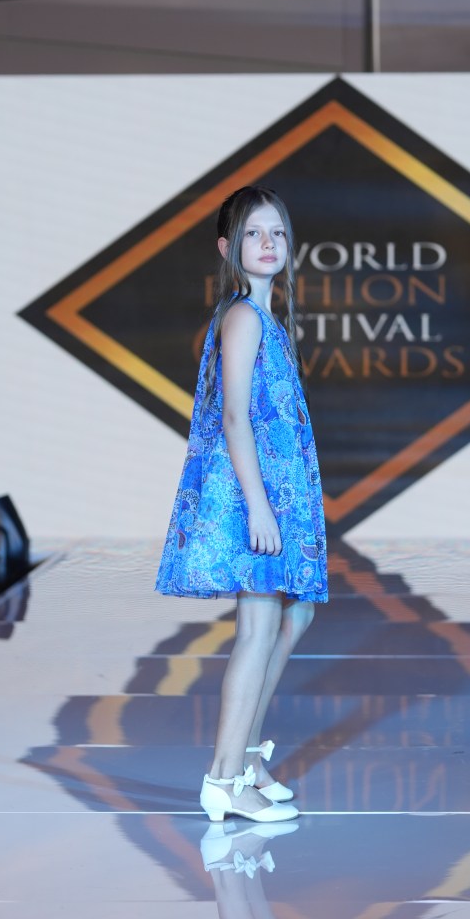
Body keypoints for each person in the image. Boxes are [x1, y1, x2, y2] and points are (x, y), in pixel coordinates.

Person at [156, 185, 327, 823]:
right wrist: (258, 505)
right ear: (229, 248)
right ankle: (224, 779)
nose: (268, 243)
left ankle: (248, 758)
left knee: (295, 616)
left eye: (277, 232)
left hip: (280, 493)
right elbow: (233, 416)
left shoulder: (264, 318)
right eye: (254, 233)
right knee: (256, 628)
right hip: (254, 496)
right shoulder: (243, 318)